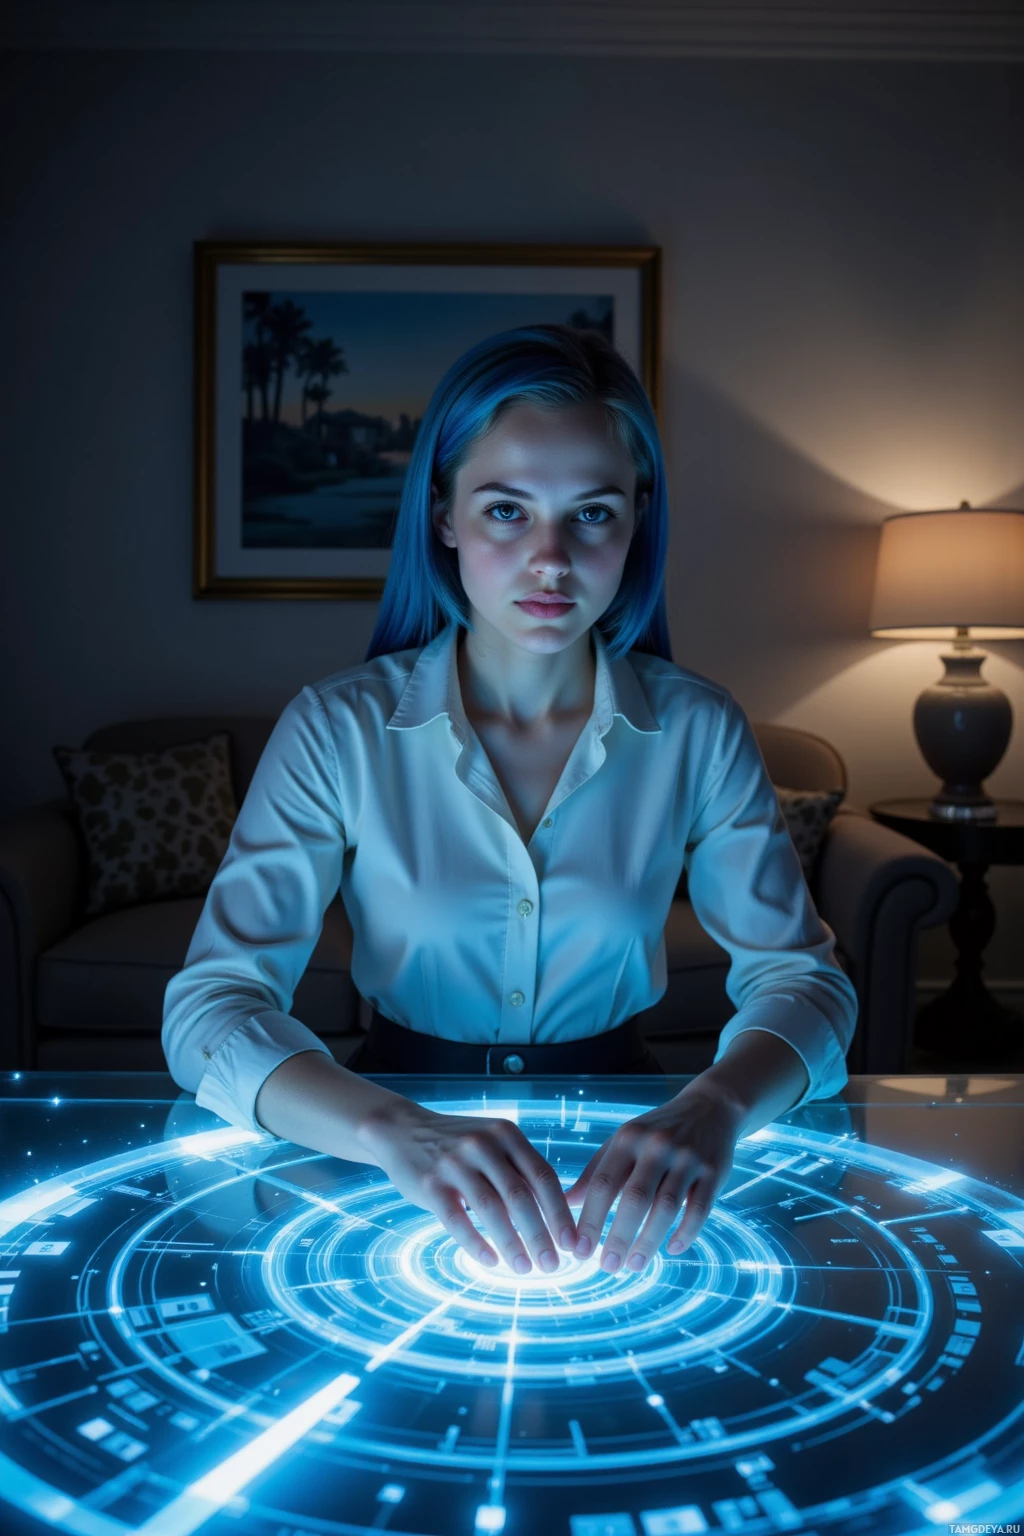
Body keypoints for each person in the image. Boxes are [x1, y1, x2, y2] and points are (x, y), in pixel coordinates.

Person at [163, 322, 857, 1282]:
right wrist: (393, 1131)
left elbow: (807, 984)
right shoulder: (336, 727)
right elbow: (210, 1009)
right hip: (391, 1161)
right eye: (505, 511)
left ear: (636, 520)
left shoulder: (699, 728)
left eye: (592, 514)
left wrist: (714, 1108)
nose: (551, 560)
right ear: (443, 514)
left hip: (633, 1158)